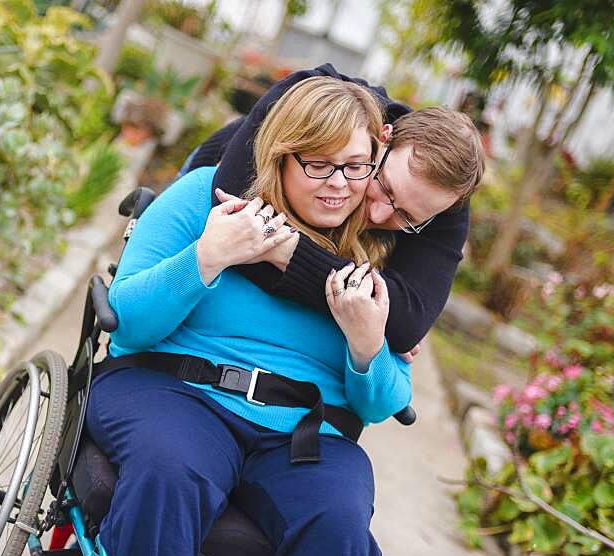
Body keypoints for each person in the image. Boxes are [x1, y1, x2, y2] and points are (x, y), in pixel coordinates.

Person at [86, 77, 409, 556]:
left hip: (305, 430)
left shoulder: (376, 248)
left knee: (339, 522)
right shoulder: (202, 199)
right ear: (281, 153)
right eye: (319, 165)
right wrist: (208, 257)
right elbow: (126, 321)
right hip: (175, 387)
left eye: (356, 167)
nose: (339, 185)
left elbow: (387, 401)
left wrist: (366, 350)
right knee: (171, 468)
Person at [186, 63, 486, 356]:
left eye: (407, 218)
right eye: (385, 186)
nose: (379, 215)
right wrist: (360, 309)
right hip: (203, 175)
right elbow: (234, 225)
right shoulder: (309, 91)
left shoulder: (446, 199)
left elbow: (406, 325)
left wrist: (286, 251)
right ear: (382, 138)